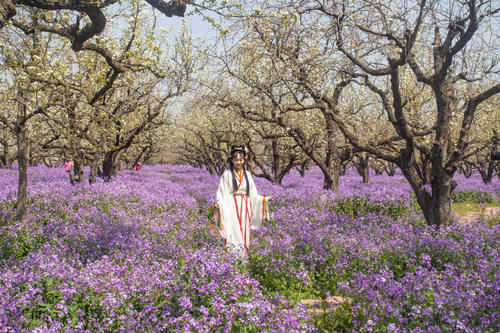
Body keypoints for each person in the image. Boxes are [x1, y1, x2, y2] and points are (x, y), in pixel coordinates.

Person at [214, 145, 275, 257]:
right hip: (231, 205)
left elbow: (253, 194)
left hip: (245, 206)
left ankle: (243, 256)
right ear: (231, 160)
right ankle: (232, 255)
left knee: (244, 229)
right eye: (236, 160)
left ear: (244, 160)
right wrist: (219, 203)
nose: (239, 162)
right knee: (233, 228)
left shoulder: (247, 175)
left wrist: (264, 199)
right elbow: (222, 191)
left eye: (241, 160)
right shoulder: (226, 175)